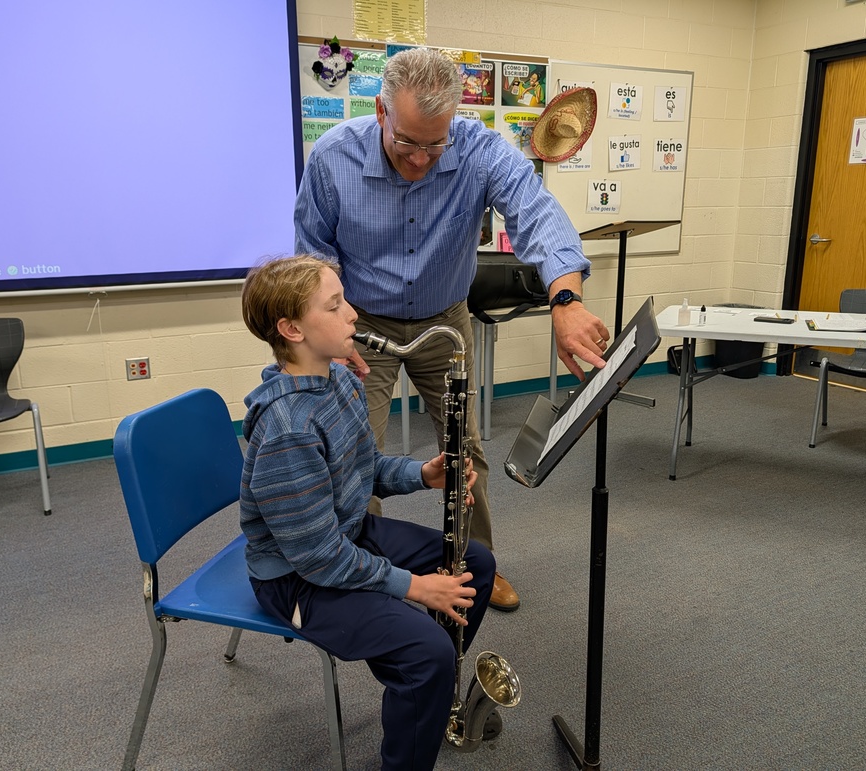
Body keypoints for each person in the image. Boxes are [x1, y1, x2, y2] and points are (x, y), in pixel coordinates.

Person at [294, 46, 610, 612]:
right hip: (359, 323)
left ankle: (474, 564)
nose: (421, 158)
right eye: (407, 142)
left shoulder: (480, 149)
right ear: (381, 111)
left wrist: (565, 299)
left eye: (435, 144)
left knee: (465, 449)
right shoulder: (333, 157)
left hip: (444, 318)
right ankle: (366, 572)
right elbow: (314, 257)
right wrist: (328, 334)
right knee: (353, 452)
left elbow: (537, 213)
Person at [239, 254, 497, 771]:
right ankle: (421, 680)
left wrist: (423, 474)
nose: (353, 314)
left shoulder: (339, 380)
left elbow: (366, 467)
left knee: (477, 563)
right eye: (335, 305)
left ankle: (422, 690)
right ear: (292, 330)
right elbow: (318, 559)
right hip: (298, 578)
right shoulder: (289, 430)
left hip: (346, 536)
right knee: (428, 652)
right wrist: (414, 588)